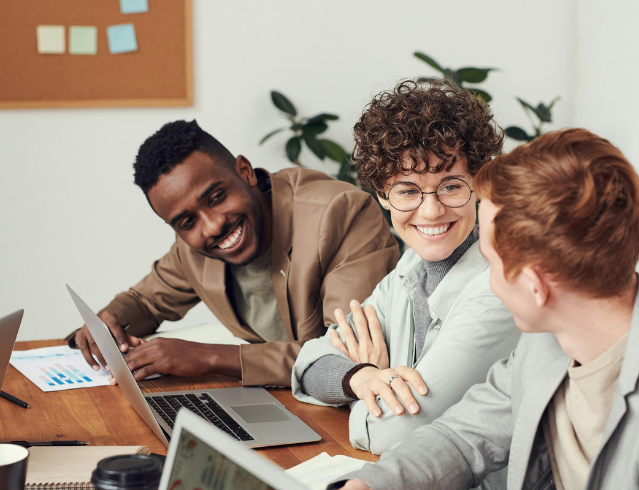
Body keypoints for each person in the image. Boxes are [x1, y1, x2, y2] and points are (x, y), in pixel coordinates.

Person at [334, 128, 639, 489]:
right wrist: (368, 486)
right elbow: (460, 439)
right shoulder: (547, 341)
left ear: (535, 286)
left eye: (489, 260)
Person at [66, 120, 399, 387]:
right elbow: (145, 302)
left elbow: (346, 356)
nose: (211, 227)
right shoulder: (192, 249)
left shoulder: (339, 213)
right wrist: (110, 321)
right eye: (186, 221)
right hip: (283, 403)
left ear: (245, 171)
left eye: (215, 198)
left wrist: (211, 358)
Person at [291, 81, 521, 457]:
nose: (431, 211)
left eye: (450, 186)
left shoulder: (497, 292)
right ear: (383, 195)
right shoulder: (409, 270)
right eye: (408, 191)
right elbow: (308, 362)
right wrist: (362, 377)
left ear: (478, 184)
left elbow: (390, 435)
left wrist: (358, 388)